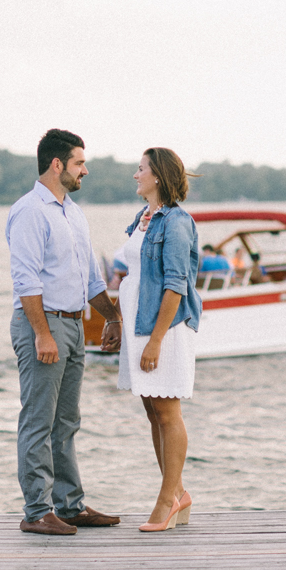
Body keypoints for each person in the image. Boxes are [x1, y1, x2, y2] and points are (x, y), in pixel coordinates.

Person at [7, 128, 123, 535]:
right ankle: (37, 511)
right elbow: (26, 282)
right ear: (57, 165)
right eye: (79, 163)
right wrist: (42, 334)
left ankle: (70, 506)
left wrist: (112, 317)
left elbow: (92, 278)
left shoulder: (73, 212)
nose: (84, 170)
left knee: (67, 421)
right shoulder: (29, 212)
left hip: (74, 326)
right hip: (45, 324)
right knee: (38, 421)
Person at [117, 147, 202, 532]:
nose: (135, 175)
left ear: (157, 176)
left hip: (164, 330)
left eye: (140, 170)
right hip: (140, 328)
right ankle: (178, 491)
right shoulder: (144, 219)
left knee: (168, 413)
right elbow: (130, 274)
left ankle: (168, 500)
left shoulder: (177, 222)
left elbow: (175, 287)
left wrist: (155, 341)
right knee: (153, 411)